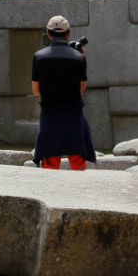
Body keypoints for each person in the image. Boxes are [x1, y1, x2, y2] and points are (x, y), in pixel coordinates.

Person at [30, 15, 96, 171]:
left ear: (49, 33)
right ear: (69, 33)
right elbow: (81, 88)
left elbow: (36, 91)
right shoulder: (79, 58)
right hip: (73, 114)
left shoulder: (38, 57)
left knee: (50, 164)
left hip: (50, 115)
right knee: (77, 162)